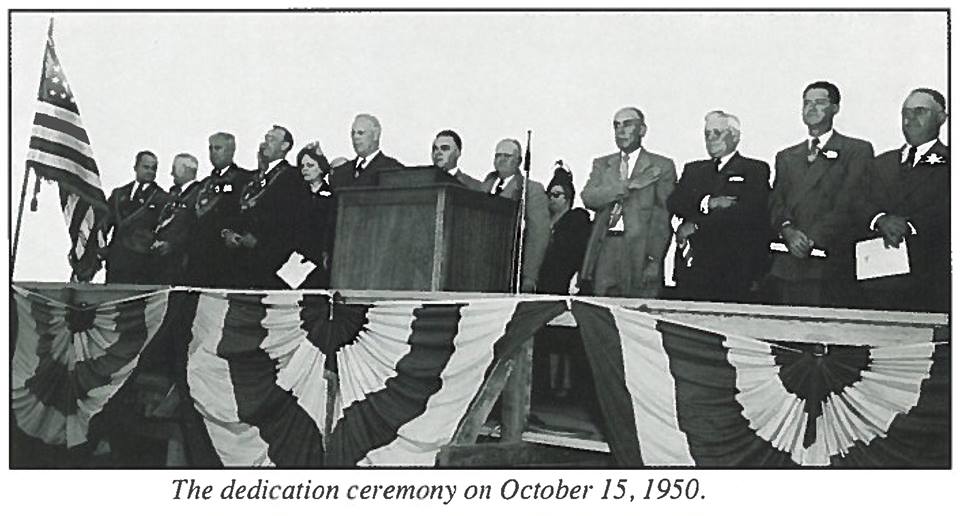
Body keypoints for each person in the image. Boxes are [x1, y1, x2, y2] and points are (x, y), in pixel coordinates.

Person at [768, 81, 874, 307]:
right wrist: (788, 231)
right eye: (807, 103)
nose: (811, 108)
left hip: (830, 261)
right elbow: (777, 201)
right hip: (788, 264)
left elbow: (849, 201)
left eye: (820, 102)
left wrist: (812, 239)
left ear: (835, 108)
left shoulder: (856, 150)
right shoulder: (786, 156)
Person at [858, 88, 949, 312]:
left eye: (920, 111)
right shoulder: (880, 163)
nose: (910, 118)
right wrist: (880, 219)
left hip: (929, 281)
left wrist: (909, 225)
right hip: (876, 282)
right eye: (906, 112)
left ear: (941, 118)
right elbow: (857, 202)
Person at [667, 110, 771, 303]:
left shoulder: (754, 169)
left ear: (735, 136)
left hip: (733, 267)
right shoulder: (694, 169)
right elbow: (676, 202)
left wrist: (697, 225)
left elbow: (748, 212)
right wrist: (709, 202)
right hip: (693, 266)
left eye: (717, 133)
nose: (711, 138)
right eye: (707, 134)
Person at [580, 107, 677, 298]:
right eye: (616, 126)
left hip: (640, 251)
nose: (620, 131)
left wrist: (654, 259)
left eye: (627, 124)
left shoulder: (661, 166)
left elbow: (662, 218)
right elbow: (589, 197)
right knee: (602, 313)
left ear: (642, 130)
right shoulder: (602, 164)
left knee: (638, 315)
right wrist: (629, 185)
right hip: (605, 247)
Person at [533, 161, 593, 401]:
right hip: (544, 285)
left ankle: (564, 387)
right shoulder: (543, 223)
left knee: (563, 339)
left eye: (557, 195)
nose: (552, 199)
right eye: (550, 194)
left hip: (564, 283)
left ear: (568, 196)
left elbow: (577, 253)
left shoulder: (576, 220)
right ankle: (545, 386)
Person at [222, 125, 305, 288]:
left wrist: (260, 243)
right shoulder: (252, 179)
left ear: (284, 146)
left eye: (272, 139)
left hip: (268, 263)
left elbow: (289, 222)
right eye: (266, 138)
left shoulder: (292, 177)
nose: (265, 143)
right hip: (239, 262)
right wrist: (228, 231)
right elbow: (237, 209)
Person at [475, 138, 550, 293]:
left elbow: (539, 236)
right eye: (497, 156)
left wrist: (530, 276)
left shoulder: (530, 190)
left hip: (509, 269)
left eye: (507, 156)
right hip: (478, 270)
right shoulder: (483, 188)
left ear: (519, 161)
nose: (501, 160)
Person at [188, 132, 254, 287]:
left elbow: (244, 214)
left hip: (225, 256)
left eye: (218, 148)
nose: (213, 152)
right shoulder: (203, 184)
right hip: (198, 255)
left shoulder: (244, 179)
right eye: (210, 148)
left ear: (231, 150)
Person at [101, 150, 169, 284]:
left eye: (153, 168)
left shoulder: (162, 198)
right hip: (116, 262)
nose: (150, 171)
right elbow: (104, 224)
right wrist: (101, 248)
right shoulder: (119, 194)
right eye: (146, 167)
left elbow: (163, 230)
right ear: (136, 168)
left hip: (142, 265)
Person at [150, 153, 202, 285]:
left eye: (175, 168)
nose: (171, 173)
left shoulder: (198, 194)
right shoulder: (173, 194)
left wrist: (174, 244)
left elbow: (194, 226)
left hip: (181, 261)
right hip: (161, 262)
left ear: (186, 169)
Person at [294, 142, 337, 288]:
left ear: (320, 167)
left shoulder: (331, 194)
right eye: (302, 166)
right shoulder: (296, 194)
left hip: (319, 254)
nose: (305, 169)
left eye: (310, 165)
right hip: (296, 255)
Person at [329, 114, 403, 190]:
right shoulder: (340, 172)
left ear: (375, 135)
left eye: (360, 133)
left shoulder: (392, 169)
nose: (355, 137)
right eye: (353, 133)